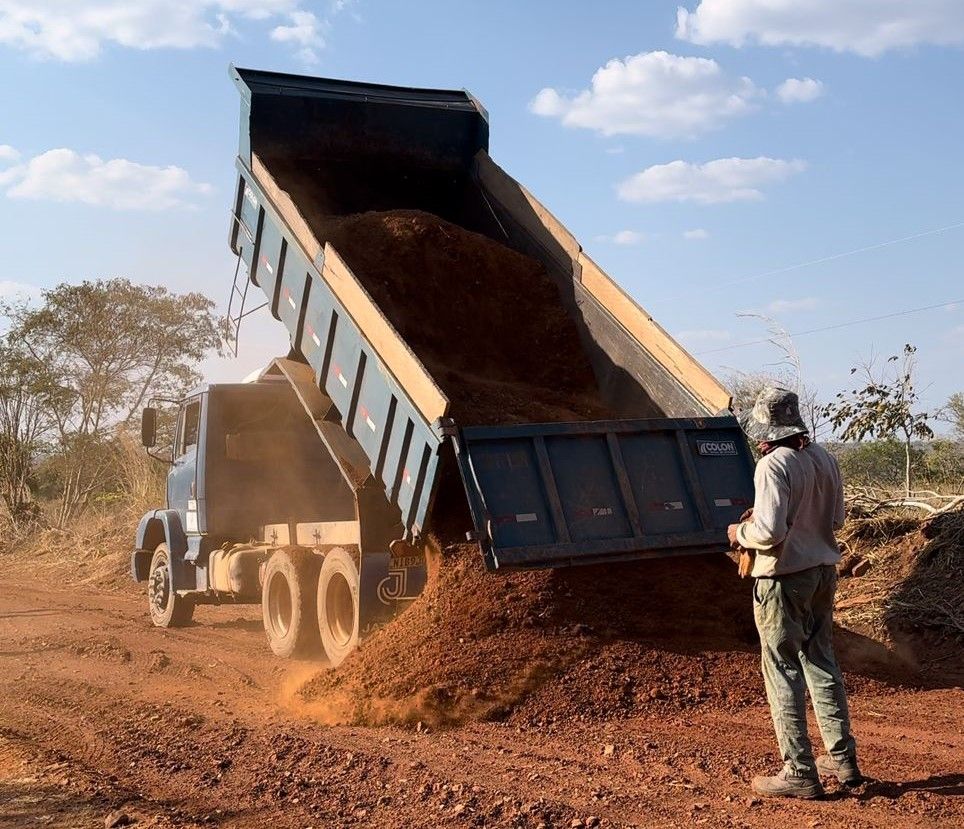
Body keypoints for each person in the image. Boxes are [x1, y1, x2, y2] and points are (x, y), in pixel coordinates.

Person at [727, 386, 861, 799]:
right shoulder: (823, 457)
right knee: (821, 663)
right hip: (823, 573)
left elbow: (769, 532)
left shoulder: (772, 465)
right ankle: (842, 760)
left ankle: (799, 772)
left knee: (782, 670)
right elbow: (836, 519)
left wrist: (739, 532)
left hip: (782, 580)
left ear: (765, 429)